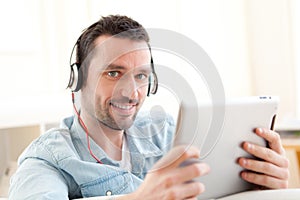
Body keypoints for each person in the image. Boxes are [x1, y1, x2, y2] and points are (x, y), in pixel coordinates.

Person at [9, 15, 289, 199]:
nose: (131, 93)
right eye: (113, 73)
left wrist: (260, 187)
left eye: (141, 76)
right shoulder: (46, 160)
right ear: (79, 78)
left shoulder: (166, 132)